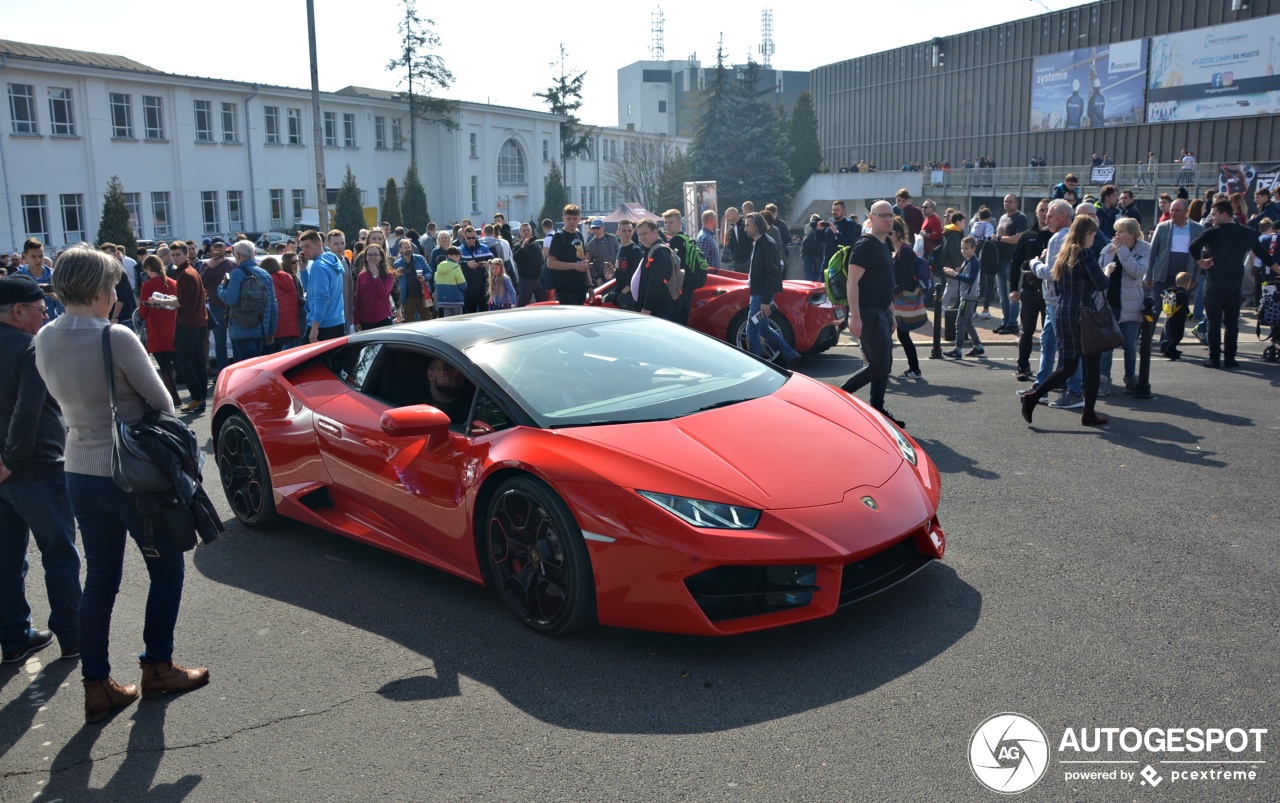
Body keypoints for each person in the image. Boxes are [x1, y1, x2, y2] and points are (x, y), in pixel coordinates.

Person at [33, 246, 208, 724]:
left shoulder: (45, 337)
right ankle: (158, 666)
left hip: (78, 469)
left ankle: (97, 684)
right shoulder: (116, 338)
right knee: (167, 570)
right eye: (111, 286)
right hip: (131, 474)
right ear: (98, 290)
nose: (115, 295)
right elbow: (163, 402)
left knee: (101, 580)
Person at [0, 275, 81, 666]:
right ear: (18, 311)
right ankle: (72, 635)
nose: (46, 314)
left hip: (10, 470)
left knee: (7, 559)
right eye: (39, 308)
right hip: (35, 469)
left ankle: (14, 638)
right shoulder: (28, 348)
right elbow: (26, 413)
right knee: (61, 555)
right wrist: (10, 462)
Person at [1020, 215, 1110, 426]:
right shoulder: (1085, 253)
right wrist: (1107, 270)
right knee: (1093, 366)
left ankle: (1034, 395)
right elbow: (1101, 283)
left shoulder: (1064, 252)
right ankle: (1088, 414)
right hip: (1083, 312)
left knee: (1068, 365)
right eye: (1092, 234)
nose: (1093, 238)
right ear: (1086, 234)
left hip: (1063, 310)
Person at [1190, 200, 1277, 368]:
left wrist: (1201, 262)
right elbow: (1262, 254)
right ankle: (1230, 358)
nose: (1211, 217)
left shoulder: (1213, 232)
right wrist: (1277, 269)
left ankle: (1214, 358)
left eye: (1214, 214)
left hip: (1214, 281)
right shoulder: (1247, 232)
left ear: (1225, 214)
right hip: (1234, 283)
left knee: (1214, 322)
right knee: (1231, 322)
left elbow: (1193, 247)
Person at [840, 201, 902, 428]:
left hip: (882, 313)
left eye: (891, 215)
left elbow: (888, 283)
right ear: (871, 218)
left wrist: (892, 313)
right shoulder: (865, 245)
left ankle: (877, 409)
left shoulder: (885, 245)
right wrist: (854, 316)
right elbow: (852, 281)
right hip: (867, 313)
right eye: (882, 215)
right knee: (879, 365)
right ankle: (840, 396)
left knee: (885, 364)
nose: (888, 219)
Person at [742, 212, 801, 368]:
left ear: (757, 225)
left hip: (761, 295)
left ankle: (756, 365)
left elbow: (772, 273)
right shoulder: (759, 242)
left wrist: (766, 300)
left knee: (752, 330)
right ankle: (791, 355)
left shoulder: (767, 243)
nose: (745, 229)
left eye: (748, 225)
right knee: (764, 329)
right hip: (757, 293)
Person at [1099, 218, 1150, 394]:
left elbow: (1137, 272)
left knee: (1130, 346)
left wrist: (1123, 251)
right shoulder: (1108, 249)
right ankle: (1104, 379)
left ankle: (1130, 378)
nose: (1117, 235)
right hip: (1109, 303)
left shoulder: (1144, 249)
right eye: (1116, 231)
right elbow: (1099, 272)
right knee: (1106, 345)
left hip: (1131, 304)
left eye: (1121, 231)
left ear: (1132, 233)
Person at [1145, 198, 1203, 350]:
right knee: (1156, 308)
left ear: (1185, 212)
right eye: (1172, 210)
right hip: (1163, 275)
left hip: (1183, 280)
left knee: (1176, 313)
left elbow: (1199, 256)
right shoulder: (1163, 227)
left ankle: (1168, 343)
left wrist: (1195, 278)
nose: (1173, 213)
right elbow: (1153, 253)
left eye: (1177, 210)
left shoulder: (1197, 229)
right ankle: (1144, 341)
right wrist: (1148, 274)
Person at [1010, 199, 1053, 381]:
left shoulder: (1057, 236)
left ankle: (1049, 371)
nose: (1044, 213)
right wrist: (1013, 288)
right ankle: (1022, 366)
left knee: (1049, 335)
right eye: (1041, 210)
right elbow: (1015, 263)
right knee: (1026, 331)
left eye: (1047, 210)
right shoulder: (1027, 235)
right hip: (1029, 291)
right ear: (1036, 213)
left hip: (1051, 293)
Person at [218, 240, 277, 361]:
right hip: (261, 330)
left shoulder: (237, 274)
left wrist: (221, 287)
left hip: (241, 331)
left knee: (245, 371)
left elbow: (230, 299)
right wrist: (271, 330)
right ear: (254, 253)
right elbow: (273, 305)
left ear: (238, 255)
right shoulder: (265, 274)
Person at [168, 243, 209, 414]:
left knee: (183, 359)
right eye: (173, 254)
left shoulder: (186, 273)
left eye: (178, 254)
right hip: (199, 322)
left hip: (190, 323)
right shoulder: (191, 271)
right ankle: (200, 398)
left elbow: (182, 302)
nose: (174, 257)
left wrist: (160, 301)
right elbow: (198, 295)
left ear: (186, 255)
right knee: (197, 360)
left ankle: (197, 396)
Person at [136, 256, 181, 406]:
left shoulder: (147, 285)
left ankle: (174, 398)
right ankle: (189, 396)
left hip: (156, 328)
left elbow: (143, 310)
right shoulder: (173, 282)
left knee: (164, 367)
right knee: (177, 362)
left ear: (148, 268)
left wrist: (141, 316)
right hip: (173, 327)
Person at [889, 218, 924, 378]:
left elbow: (909, 280)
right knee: (900, 334)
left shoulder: (905, 251)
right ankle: (912, 368)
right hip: (897, 299)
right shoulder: (897, 250)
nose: (887, 235)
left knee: (901, 334)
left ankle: (914, 369)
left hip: (901, 298)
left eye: (890, 233)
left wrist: (893, 289)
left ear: (897, 233)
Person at [298, 230, 347, 343]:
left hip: (323, 325)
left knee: (306, 360)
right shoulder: (331, 259)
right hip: (337, 321)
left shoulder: (318, 266)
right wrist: (303, 269)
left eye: (307, 246)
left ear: (319, 245)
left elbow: (322, 298)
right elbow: (311, 289)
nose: (304, 251)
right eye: (302, 247)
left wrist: (315, 328)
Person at [993, 194, 1030, 334]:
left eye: (1010, 201)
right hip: (1000, 261)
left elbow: (1017, 238)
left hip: (1013, 261)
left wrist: (999, 238)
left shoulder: (1021, 218)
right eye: (1005, 201)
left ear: (1017, 203)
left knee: (1013, 294)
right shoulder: (1002, 218)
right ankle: (1006, 321)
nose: (1007, 204)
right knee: (1002, 295)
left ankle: (1013, 323)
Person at [944, 237, 985, 358]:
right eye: (962, 248)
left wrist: (955, 274)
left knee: (960, 322)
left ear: (974, 249)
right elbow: (964, 277)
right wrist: (953, 273)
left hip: (968, 296)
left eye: (966, 248)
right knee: (967, 322)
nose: (963, 251)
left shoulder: (974, 262)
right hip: (966, 295)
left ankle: (958, 349)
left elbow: (970, 280)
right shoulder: (967, 261)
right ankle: (978, 346)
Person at [199, 238, 233, 373]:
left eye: (221, 246)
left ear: (225, 248)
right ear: (211, 249)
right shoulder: (205, 265)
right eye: (215, 247)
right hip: (215, 307)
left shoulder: (232, 264)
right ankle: (223, 371)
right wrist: (210, 268)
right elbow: (202, 283)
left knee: (235, 340)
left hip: (232, 307)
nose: (218, 249)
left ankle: (235, 372)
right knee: (220, 342)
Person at [546, 205, 590, 306]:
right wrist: (575, 266)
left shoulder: (579, 235)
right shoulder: (559, 236)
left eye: (575, 218)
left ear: (579, 219)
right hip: (566, 289)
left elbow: (584, 262)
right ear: (563, 218)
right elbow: (550, 263)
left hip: (581, 287)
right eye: (569, 218)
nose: (572, 221)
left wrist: (590, 285)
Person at [633, 219, 675, 320]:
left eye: (645, 233)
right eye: (639, 235)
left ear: (655, 232)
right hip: (653, 309)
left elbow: (655, 282)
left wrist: (647, 307)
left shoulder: (660, 252)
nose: (642, 237)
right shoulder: (651, 250)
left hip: (656, 310)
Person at [353, 244, 397, 331]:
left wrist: (376, 275)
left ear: (381, 257)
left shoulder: (389, 275)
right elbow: (358, 299)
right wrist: (356, 320)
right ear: (365, 257)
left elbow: (383, 293)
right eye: (369, 255)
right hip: (364, 320)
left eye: (376, 255)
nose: (372, 257)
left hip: (382, 319)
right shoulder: (361, 275)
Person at [424, 357, 473, 427]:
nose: (456, 372)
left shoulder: (476, 400)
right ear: (431, 375)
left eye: (460, 367)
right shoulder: (420, 409)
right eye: (447, 368)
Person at [393, 239, 432, 323]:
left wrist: (424, 278)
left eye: (409, 247)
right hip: (407, 297)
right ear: (400, 250)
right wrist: (396, 274)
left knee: (427, 318)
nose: (408, 249)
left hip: (421, 294)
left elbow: (429, 272)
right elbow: (394, 281)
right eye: (405, 247)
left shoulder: (419, 258)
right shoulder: (397, 263)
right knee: (409, 321)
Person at [456, 226, 493, 313]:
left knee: (484, 310)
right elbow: (455, 264)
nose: (471, 240)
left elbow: (492, 260)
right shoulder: (459, 249)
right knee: (470, 311)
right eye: (469, 238)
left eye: (473, 237)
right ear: (464, 237)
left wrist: (488, 262)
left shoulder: (484, 247)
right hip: (468, 285)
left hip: (483, 283)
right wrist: (467, 264)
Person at [610, 220, 644, 311]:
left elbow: (638, 276)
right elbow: (619, 270)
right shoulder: (619, 248)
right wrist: (611, 271)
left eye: (629, 231)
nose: (627, 233)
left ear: (633, 232)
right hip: (619, 292)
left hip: (630, 295)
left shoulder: (636, 251)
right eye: (624, 231)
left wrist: (624, 292)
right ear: (618, 232)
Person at [1159, 272, 1193, 360]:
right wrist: (1190, 315)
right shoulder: (1183, 294)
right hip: (1179, 319)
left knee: (1172, 335)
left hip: (1169, 317)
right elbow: (1185, 308)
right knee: (1178, 336)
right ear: (1187, 283)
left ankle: (1173, 350)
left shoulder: (1170, 291)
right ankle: (1169, 351)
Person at [512, 223, 547, 306]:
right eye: (524, 230)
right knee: (523, 304)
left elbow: (541, 259)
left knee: (543, 303)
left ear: (531, 231)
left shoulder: (536, 244)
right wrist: (523, 246)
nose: (526, 232)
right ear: (520, 232)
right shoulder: (518, 246)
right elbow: (516, 258)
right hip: (525, 280)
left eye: (528, 230)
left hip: (539, 279)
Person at [432, 246, 467, 316]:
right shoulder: (456, 267)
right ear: (449, 255)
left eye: (459, 256)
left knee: (448, 320)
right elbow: (463, 285)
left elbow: (435, 283)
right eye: (457, 256)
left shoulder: (439, 267)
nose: (459, 258)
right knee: (458, 319)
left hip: (443, 300)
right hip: (455, 299)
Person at [584, 218, 618, 289]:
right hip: (602, 277)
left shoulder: (612, 238)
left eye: (598, 228)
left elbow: (619, 253)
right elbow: (590, 262)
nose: (595, 230)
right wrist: (597, 277)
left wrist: (617, 268)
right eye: (593, 228)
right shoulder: (590, 244)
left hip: (615, 274)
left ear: (603, 227)